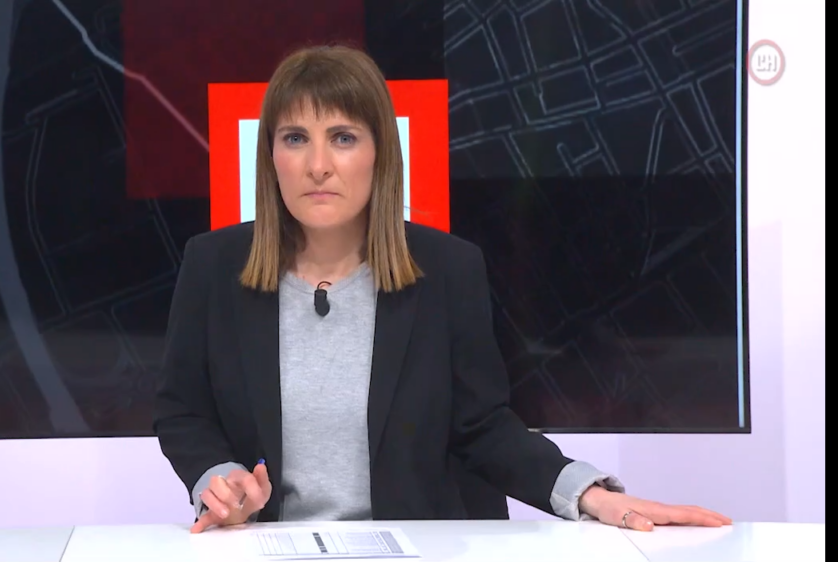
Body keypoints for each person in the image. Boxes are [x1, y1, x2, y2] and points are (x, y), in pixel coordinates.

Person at [153, 45, 731, 534]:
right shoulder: (213, 265)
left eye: (344, 137)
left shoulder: (448, 268)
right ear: (270, 155)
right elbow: (182, 410)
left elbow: (483, 427)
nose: (318, 165)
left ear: (380, 154)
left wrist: (589, 494)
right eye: (297, 137)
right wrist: (218, 481)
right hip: (273, 546)